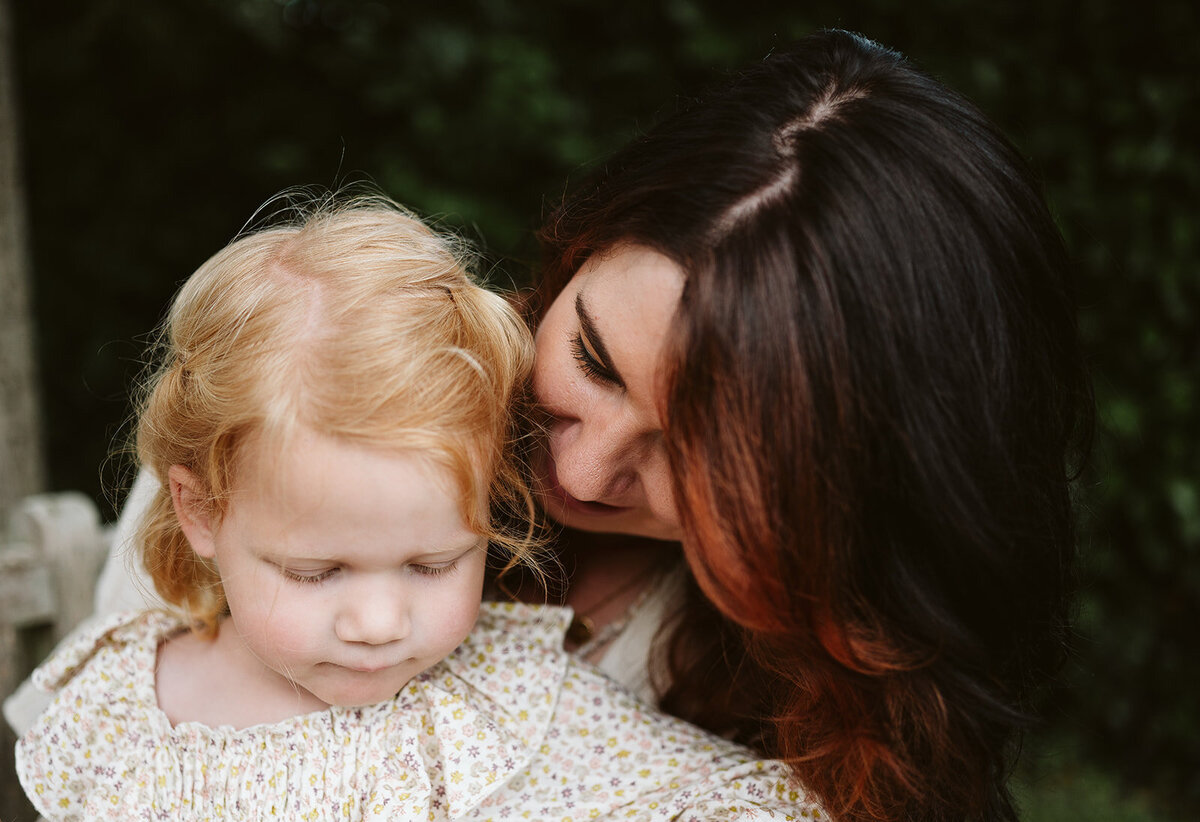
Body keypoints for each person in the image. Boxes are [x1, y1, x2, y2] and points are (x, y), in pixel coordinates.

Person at [8, 29, 1092, 822]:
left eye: (701, 459)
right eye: (591, 360)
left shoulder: (792, 751)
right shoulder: (329, 416)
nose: (579, 463)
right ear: (578, 247)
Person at [13, 197, 808, 820]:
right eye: (316, 571)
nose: (379, 622)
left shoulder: (495, 696)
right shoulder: (115, 704)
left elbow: (725, 796)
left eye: (434, 564)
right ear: (201, 514)